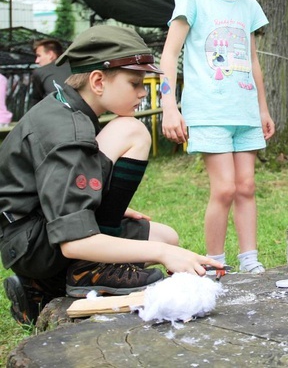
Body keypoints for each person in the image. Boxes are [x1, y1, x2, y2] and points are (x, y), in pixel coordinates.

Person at [0, 25, 223, 325]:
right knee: (131, 130)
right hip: (33, 245)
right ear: (97, 81)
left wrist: (94, 200)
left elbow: (52, 183)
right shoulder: (69, 131)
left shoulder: (66, 108)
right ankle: (86, 269)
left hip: (35, 231)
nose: (143, 92)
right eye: (134, 83)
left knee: (168, 237)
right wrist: (163, 254)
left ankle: (41, 289)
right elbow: (73, 241)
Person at [160, 0, 274, 274]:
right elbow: (169, 55)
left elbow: (253, 61)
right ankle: (216, 262)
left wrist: (263, 108)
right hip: (208, 112)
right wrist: (169, 107)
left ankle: (250, 260)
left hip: (244, 114)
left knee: (246, 188)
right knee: (223, 189)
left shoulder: (250, 6)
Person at [29, 38, 72, 107]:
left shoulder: (40, 72)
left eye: (39, 56)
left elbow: (36, 101)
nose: (36, 61)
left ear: (50, 55)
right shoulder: (76, 68)